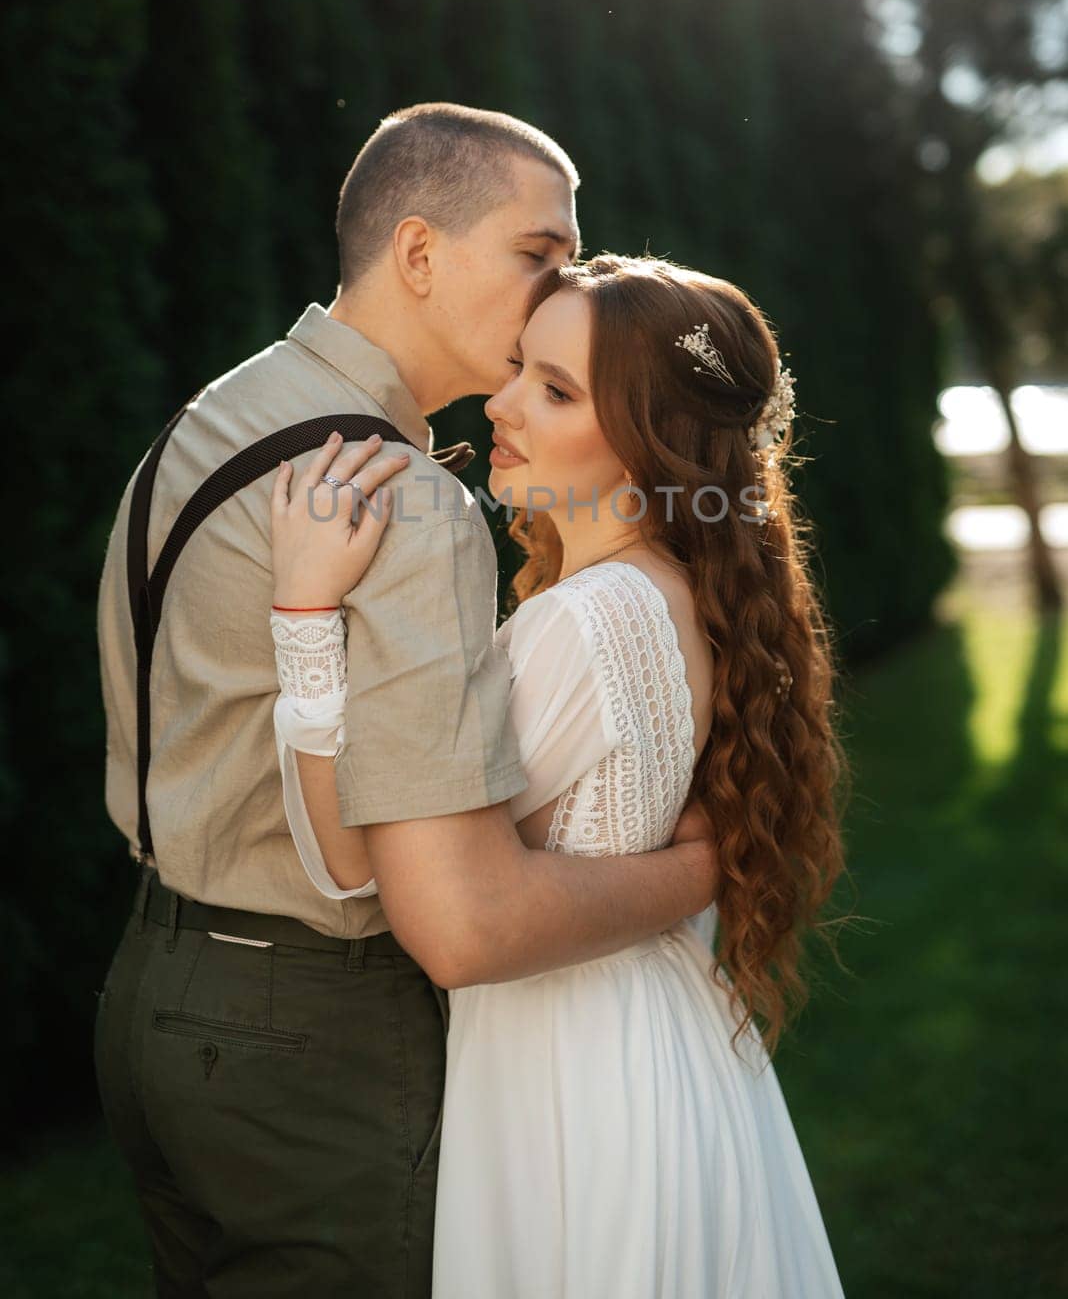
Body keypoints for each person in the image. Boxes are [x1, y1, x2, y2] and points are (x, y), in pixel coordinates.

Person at [93, 105, 719, 1299]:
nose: (557, 289)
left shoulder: (211, 416)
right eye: (539, 254)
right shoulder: (402, 501)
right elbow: (468, 925)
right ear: (420, 253)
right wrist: (705, 868)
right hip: (313, 1034)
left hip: (150, 998)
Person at [268, 252, 849, 1297]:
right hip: (649, 1047)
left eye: (554, 390)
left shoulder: (587, 623)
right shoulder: (671, 589)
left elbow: (360, 862)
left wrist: (306, 623)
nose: (501, 404)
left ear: (645, 443)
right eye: (519, 369)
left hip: (577, 1081)